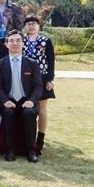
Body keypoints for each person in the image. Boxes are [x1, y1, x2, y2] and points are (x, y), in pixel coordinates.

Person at [0, 30, 42, 162]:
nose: (15, 43)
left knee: (28, 113)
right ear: (6, 44)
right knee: (8, 113)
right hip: (8, 100)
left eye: (18, 40)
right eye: (11, 41)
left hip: (26, 100)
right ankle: (9, 149)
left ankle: (31, 150)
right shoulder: (0, 64)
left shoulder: (32, 63)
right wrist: (4, 101)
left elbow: (38, 86)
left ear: (23, 43)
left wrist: (32, 101)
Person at [22, 14, 56, 154]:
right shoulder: (21, 40)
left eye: (34, 23)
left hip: (41, 77)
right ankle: (26, 137)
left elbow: (51, 61)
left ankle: (40, 139)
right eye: (28, 24)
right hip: (24, 77)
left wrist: (50, 79)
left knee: (42, 108)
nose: (31, 26)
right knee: (27, 108)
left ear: (39, 26)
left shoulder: (45, 40)